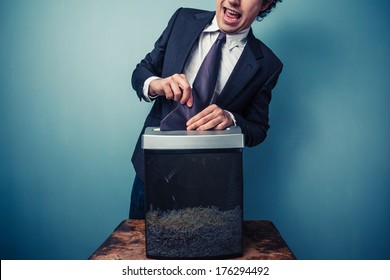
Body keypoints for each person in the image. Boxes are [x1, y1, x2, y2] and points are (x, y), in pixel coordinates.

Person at [129, 0, 283, 219]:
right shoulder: (181, 20)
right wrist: (157, 84)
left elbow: (258, 129)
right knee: (136, 248)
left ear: (266, 3)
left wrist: (231, 118)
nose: (233, 1)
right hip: (151, 172)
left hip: (207, 182)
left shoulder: (268, 64)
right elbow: (142, 72)